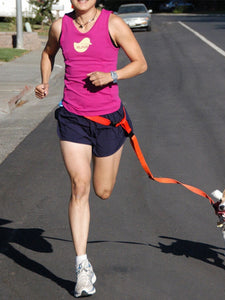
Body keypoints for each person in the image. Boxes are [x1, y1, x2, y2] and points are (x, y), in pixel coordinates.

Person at [35, 0, 147, 297]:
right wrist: (44, 82)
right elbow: (47, 54)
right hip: (72, 117)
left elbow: (140, 63)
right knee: (79, 185)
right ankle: (82, 266)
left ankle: (84, 264)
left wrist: (112, 76)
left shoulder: (113, 24)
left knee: (103, 190)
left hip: (108, 120)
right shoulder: (60, 26)